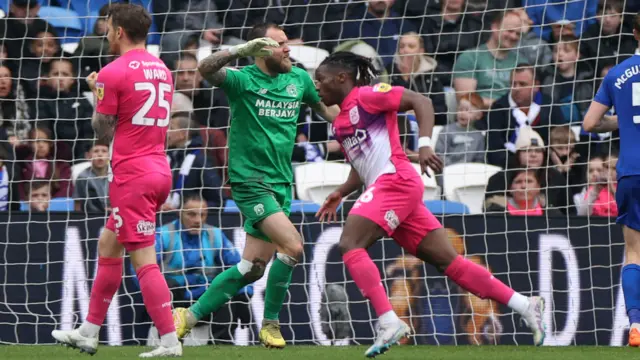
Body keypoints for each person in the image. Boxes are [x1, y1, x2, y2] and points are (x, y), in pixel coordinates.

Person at [313, 52, 545, 357]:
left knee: (349, 243)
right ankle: (525, 305)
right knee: (451, 263)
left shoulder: (368, 95)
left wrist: (424, 146)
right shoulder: (341, 122)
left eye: (321, 79)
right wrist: (341, 192)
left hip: (395, 181)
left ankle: (388, 321)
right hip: (389, 188)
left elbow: (421, 101)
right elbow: (362, 165)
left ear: (341, 77)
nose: (317, 85)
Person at [171, 22, 338, 349]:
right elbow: (206, 69)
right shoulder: (242, 80)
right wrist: (238, 51)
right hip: (250, 182)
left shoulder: (298, 79)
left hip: (281, 184)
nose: (287, 49)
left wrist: (363, 121)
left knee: (252, 268)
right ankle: (271, 324)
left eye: (286, 42)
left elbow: (329, 111)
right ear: (259, 51)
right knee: (293, 247)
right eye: (279, 44)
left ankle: (187, 318)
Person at [50, 4, 182, 357]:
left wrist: (98, 95)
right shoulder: (163, 69)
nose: (106, 34)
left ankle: (170, 341)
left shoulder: (112, 71)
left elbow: (102, 131)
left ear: (119, 31)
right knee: (109, 245)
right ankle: (90, 331)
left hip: (132, 174)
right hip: (158, 168)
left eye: (108, 28)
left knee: (144, 260)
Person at [582, 12, 640, 347]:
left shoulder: (616, 74)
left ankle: (636, 324)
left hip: (631, 171)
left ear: (634, 33)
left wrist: (623, 122)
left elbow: (590, 124)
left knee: (634, 252)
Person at [155, 195, 252, 343]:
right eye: (192, 214)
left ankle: (221, 350)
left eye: (202, 214)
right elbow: (142, 270)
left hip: (205, 298)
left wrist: (244, 295)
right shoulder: (163, 235)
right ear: (179, 212)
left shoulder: (215, 235)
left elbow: (238, 266)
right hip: (175, 298)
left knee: (227, 297)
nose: (197, 220)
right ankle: (169, 346)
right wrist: (159, 289)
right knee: (168, 291)